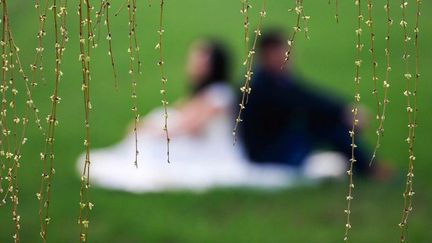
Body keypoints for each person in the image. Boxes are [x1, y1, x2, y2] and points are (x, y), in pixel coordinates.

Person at [77, 40, 295, 193]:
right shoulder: (203, 94)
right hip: (200, 146)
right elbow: (180, 114)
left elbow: (187, 126)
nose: (192, 64)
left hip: (215, 156)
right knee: (159, 122)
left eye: (199, 59)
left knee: (156, 144)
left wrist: (147, 129)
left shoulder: (219, 96)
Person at [238, 30, 374, 176]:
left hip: (279, 145)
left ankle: (365, 166)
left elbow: (308, 95)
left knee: (326, 122)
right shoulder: (261, 87)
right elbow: (304, 103)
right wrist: (342, 112)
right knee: (327, 125)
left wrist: (344, 109)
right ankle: (368, 168)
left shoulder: (276, 80)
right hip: (269, 154)